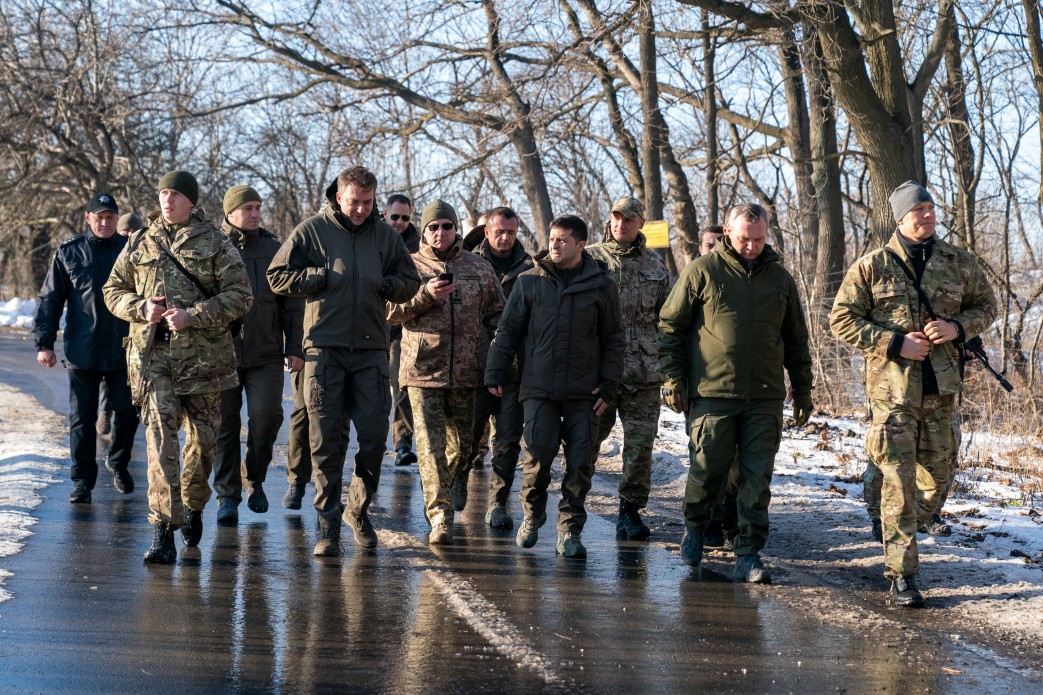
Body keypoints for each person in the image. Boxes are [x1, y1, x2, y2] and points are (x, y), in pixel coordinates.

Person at [830, 181, 997, 607]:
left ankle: (890, 520)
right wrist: (893, 343)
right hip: (892, 394)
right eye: (918, 210)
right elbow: (841, 319)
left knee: (935, 482)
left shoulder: (959, 262)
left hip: (941, 392)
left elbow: (987, 306)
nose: (927, 215)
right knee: (898, 484)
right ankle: (902, 574)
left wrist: (956, 329)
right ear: (900, 218)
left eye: (930, 207)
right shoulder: (872, 266)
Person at [267, 166, 420, 557]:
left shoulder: (384, 235)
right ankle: (327, 523)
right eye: (354, 202)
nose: (361, 210)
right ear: (339, 196)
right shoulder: (311, 230)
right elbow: (277, 276)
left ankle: (358, 508)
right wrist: (317, 277)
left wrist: (388, 286)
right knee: (325, 444)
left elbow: (410, 280)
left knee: (373, 438)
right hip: (324, 350)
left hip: (371, 350)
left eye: (368, 204)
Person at [658, 203, 813, 583]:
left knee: (756, 479)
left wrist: (804, 389)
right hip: (712, 394)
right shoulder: (702, 272)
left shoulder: (781, 280)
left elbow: (796, 340)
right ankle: (694, 528)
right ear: (728, 232)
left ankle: (748, 553)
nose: (751, 246)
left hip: (764, 397)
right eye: (744, 238)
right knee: (708, 471)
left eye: (759, 239)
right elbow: (670, 327)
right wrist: (673, 378)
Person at [104, 170, 252, 564]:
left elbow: (242, 296)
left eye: (175, 194)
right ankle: (161, 529)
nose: (166, 200)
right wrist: (141, 308)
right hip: (153, 361)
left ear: (191, 200)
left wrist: (195, 315)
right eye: (163, 192)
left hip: (205, 363)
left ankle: (193, 504)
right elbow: (113, 291)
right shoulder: (140, 241)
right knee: (160, 443)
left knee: (203, 445)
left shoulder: (216, 242)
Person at [486, 215, 624, 559]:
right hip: (538, 390)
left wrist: (608, 386)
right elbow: (508, 331)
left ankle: (570, 530)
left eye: (563, 240)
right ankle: (532, 517)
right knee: (537, 458)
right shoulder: (529, 282)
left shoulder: (602, 286)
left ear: (581, 244)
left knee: (580, 464)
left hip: (584, 394)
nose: (555, 244)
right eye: (552, 238)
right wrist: (496, 373)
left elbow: (614, 340)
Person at [387, 199, 504, 544]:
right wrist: (425, 294)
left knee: (463, 448)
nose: (441, 232)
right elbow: (390, 312)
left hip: (468, 372)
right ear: (423, 231)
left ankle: (457, 481)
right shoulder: (408, 266)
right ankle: (440, 518)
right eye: (433, 227)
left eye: (447, 226)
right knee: (429, 450)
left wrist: (499, 355)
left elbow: (498, 316)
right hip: (422, 372)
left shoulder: (480, 268)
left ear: (457, 230)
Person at [32, 192, 140, 503]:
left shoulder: (130, 251)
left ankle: (118, 462)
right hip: (83, 350)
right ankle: (82, 481)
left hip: (123, 350)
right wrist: (44, 343)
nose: (105, 222)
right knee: (82, 419)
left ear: (115, 219)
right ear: (88, 218)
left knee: (128, 412)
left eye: (110, 217)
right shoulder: (70, 252)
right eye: (99, 217)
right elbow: (50, 299)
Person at [213, 186, 304, 524]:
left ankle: (255, 478)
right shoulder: (213, 245)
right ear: (230, 212)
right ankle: (227, 496)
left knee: (266, 418)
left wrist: (294, 346)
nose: (254, 213)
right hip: (222, 354)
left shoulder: (273, 248)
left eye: (257, 207)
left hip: (266, 353)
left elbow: (292, 303)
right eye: (247, 208)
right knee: (224, 426)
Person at [586, 196, 671, 541]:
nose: (621, 224)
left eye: (629, 219)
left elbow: (669, 317)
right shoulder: (589, 259)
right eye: (617, 217)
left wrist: (667, 360)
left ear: (640, 224)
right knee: (587, 440)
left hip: (644, 372)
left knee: (639, 447)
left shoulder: (656, 265)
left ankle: (630, 512)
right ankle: (573, 501)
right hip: (597, 373)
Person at [469, 207, 534, 530]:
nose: (505, 238)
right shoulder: (469, 264)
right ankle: (456, 477)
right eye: (499, 232)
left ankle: (497, 502)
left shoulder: (531, 268)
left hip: (515, 369)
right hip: (474, 365)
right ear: (487, 231)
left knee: (508, 441)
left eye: (511, 232)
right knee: (467, 435)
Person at [97, 213, 147, 436]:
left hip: (137, 326)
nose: (128, 236)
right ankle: (105, 412)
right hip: (113, 325)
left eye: (132, 232)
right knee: (111, 378)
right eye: (124, 232)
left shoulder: (145, 251)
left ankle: (130, 419)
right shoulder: (113, 254)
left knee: (133, 378)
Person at [384, 193, 422, 467]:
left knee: (401, 385)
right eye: (395, 216)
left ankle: (402, 444)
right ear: (385, 214)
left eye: (405, 218)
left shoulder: (419, 244)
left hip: (400, 325)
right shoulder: (370, 236)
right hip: (370, 323)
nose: (399, 222)